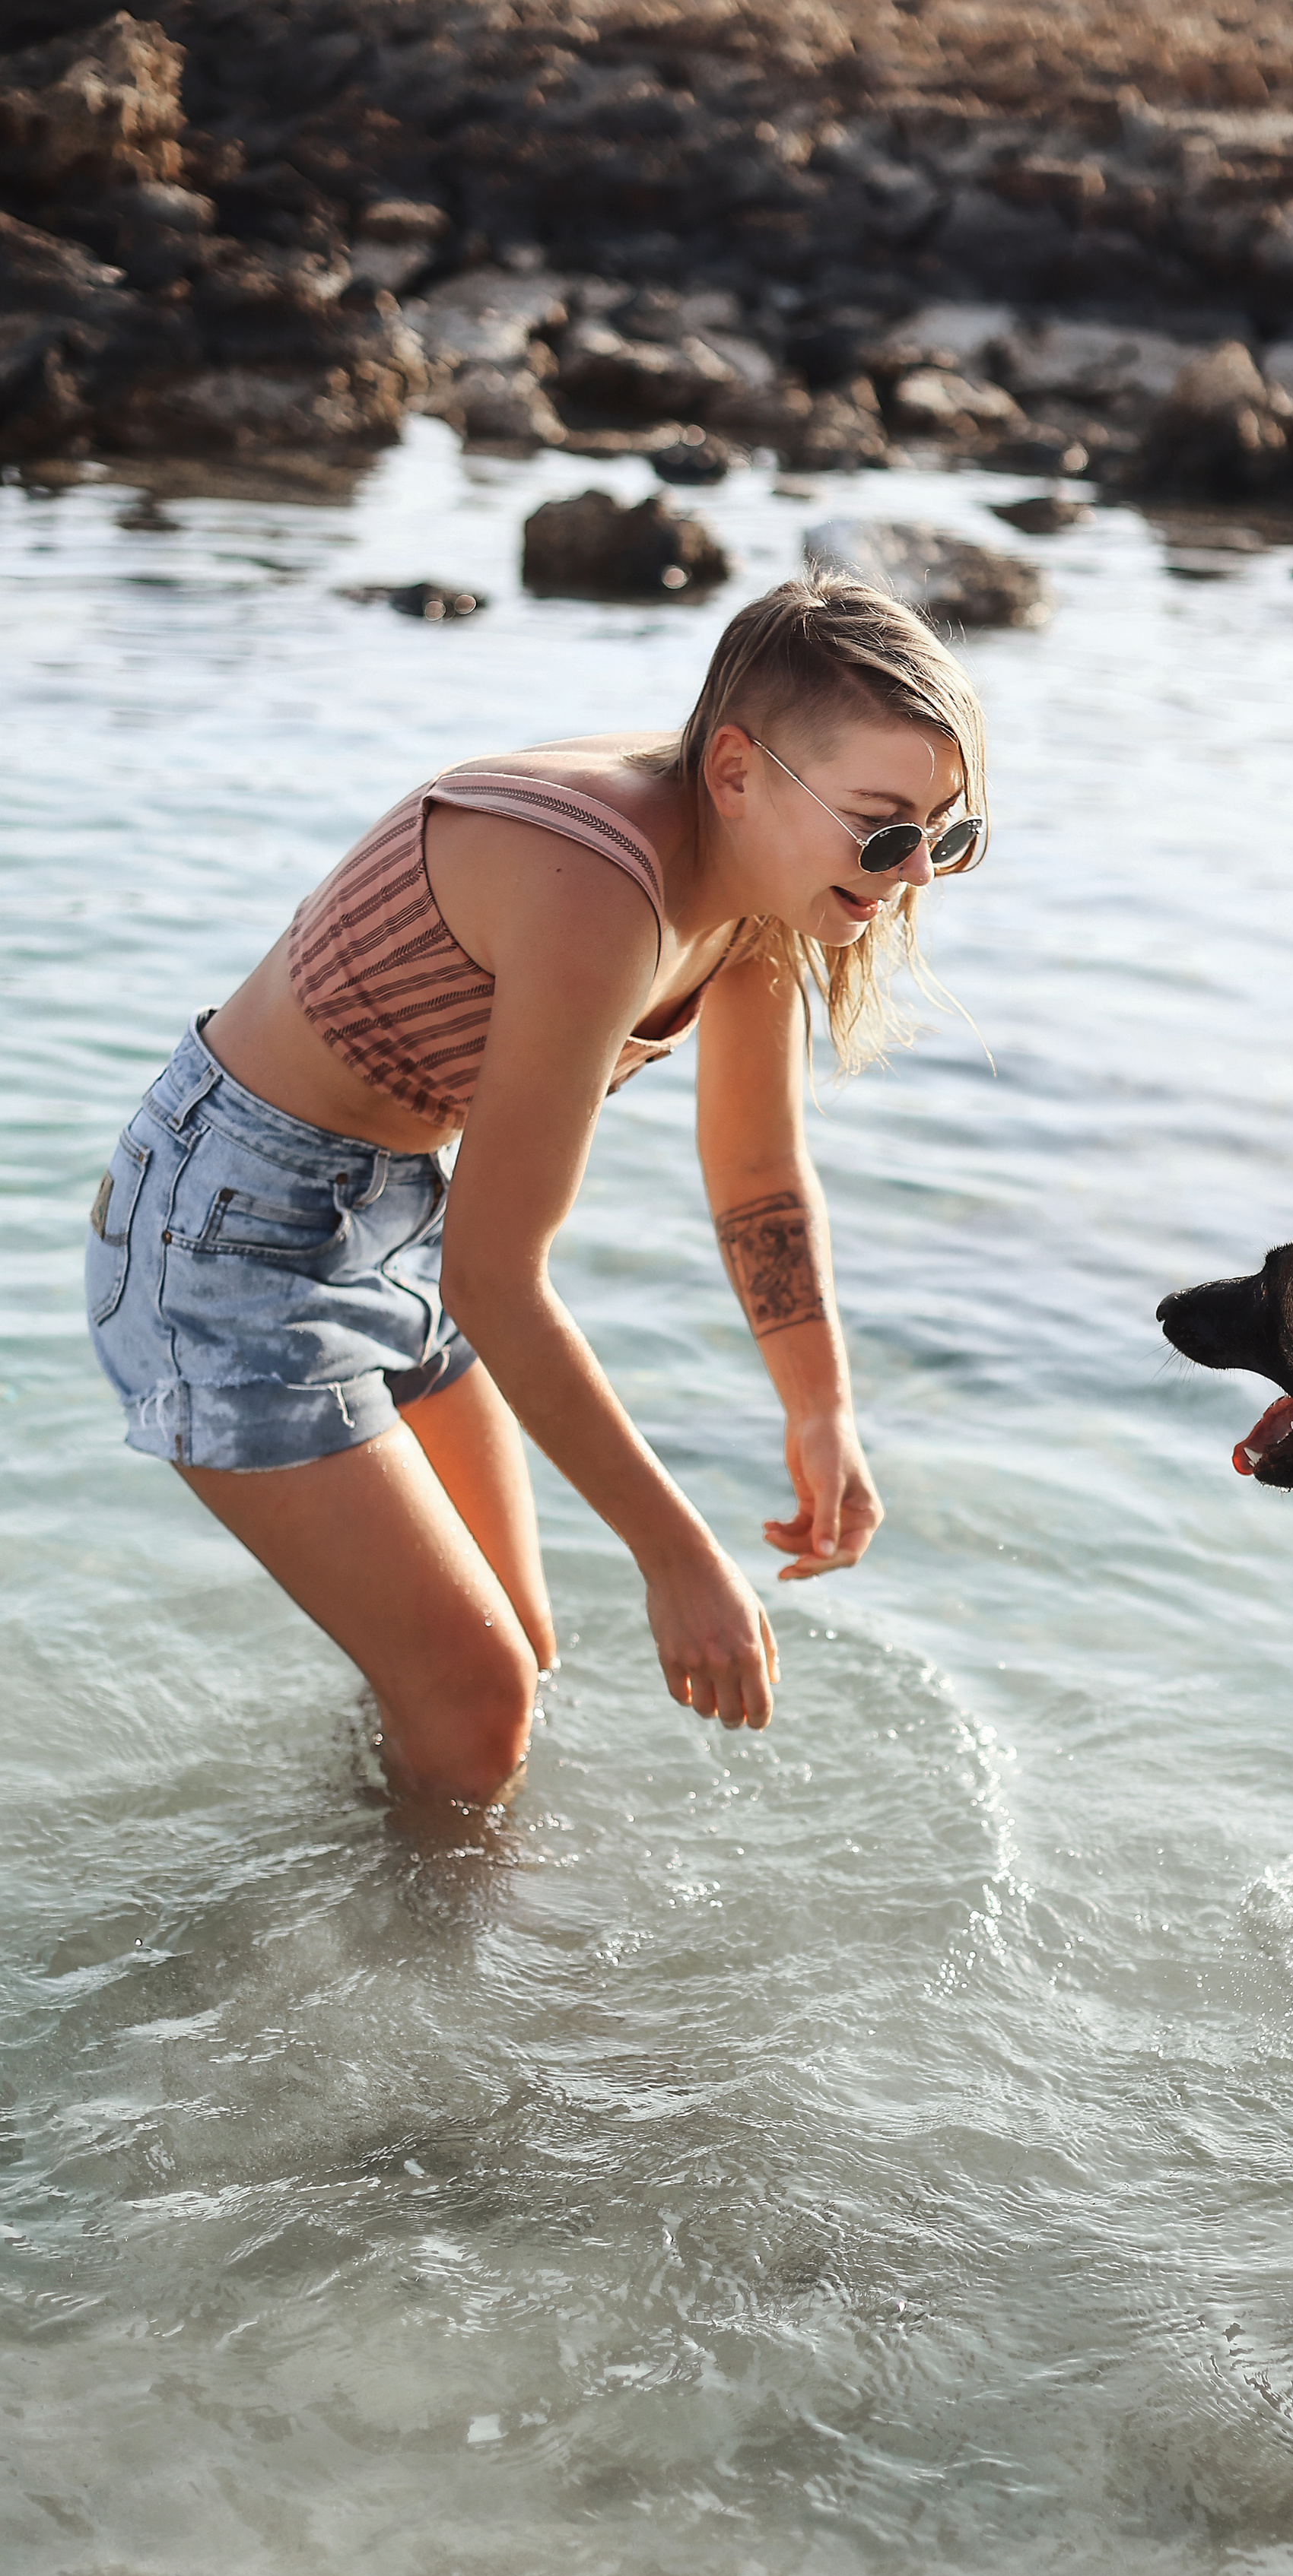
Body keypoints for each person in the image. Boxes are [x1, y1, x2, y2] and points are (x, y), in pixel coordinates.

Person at [84, 575, 987, 1804]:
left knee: (506, 1661)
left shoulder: (764, 881)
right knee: (481, 1698)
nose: (916, 872)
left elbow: (760, 1174)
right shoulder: (595, 889)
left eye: (947, 832)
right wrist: (678, 1560)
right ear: (736, 770)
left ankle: (375, 1897)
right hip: (226, 1233)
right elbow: (500, 1281)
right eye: (886, 829)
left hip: (395, 1203)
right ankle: (390, 1979)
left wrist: (820, 1408)